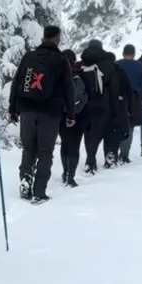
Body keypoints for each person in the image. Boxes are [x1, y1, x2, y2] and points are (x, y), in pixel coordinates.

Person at [8, 25, 76, 203]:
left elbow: (17, 82)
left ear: (43, 37)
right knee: (46, 151)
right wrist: (71, 114)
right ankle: (39, 192)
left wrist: (13, 107)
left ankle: (25, 178)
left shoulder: (29, 57)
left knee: (29, 147)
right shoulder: (62, 61)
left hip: (27, 110)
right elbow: (69, 88)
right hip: (50, 112)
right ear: (57, 38)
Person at [79, 40, 118, 174]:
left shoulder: (82, 64)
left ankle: (90, 160)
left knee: (89, 133)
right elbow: (115, 88)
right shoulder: (108, 65)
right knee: (108, 131)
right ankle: (110, 156)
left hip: (86, 105)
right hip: (105, 104)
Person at [116, 44, 142, 162]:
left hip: (118, 98)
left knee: (118, 124)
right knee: (129, 126)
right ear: (134, 54)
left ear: (123, 53)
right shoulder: (139, 66)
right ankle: (124, 154)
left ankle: (114, 151)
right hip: (134, 99)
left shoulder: (117, 64)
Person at [59, 49, 88, 187]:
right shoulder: (77, 76)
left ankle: (65, 173)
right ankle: (71, 177)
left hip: (59, 115)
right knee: (74, 146)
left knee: (65, 143)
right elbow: (82, 97)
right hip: (76, 116)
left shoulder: (55, 74)